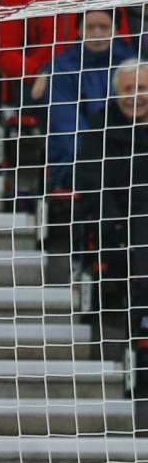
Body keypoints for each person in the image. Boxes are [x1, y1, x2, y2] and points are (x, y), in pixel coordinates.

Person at [75, 59, 148, 355]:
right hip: (122, 225)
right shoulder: (101, 128)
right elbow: (93, 183)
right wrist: (117, 224)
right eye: (127, 89)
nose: (134, 96)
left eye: (141, 88)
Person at [38, 9, 134, 190]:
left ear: (116, 30)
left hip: (129, 161)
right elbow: (67, 131)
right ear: (80, 31)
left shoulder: (135, 67)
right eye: (90, 27)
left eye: (104, 27)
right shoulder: (61, 70)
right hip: (77, 164)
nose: (97, 33)